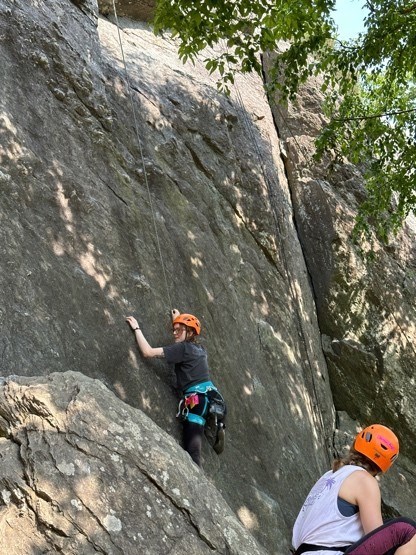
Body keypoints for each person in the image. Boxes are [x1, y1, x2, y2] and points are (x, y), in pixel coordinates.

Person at [292, 424, 416, 555]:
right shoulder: (365, 480)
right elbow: (377, 541)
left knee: (390, 523)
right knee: (406, 530)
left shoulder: (331, 475)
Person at [125, 309, 226, 467]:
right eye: (174, 329)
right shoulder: (201, 350)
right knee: (198, 433)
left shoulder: (183, 349)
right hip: (212, 397)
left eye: (179, 330)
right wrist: (177, 320)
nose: (174, 333)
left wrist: (137, 329)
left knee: (193, 453)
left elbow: (148, 352)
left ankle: (196, 487)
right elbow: (181, 348)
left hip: (195, 401)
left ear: (190, 332)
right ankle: (218, 423)